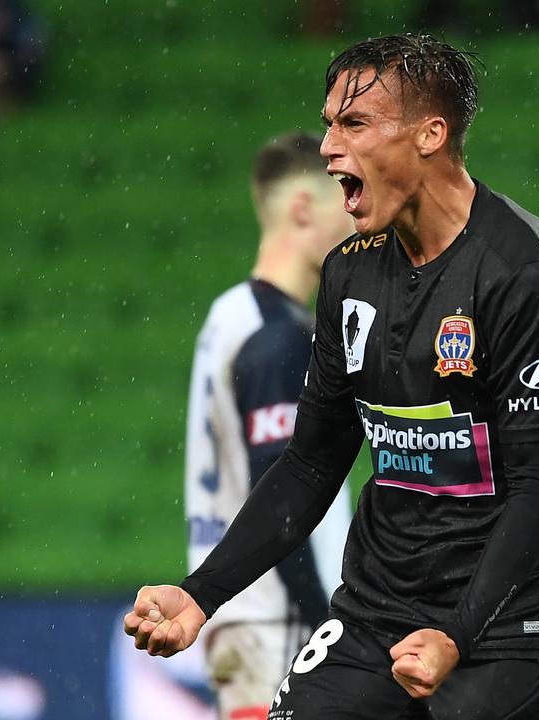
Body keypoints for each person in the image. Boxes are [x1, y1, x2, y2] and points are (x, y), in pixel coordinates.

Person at [124, 33, 539, 720]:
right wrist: (202, 593)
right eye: (330, 123)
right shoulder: (350, 270)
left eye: (352, 124)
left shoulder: (526, 278)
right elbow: (310, 463)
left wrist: (458, 631)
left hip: (519, 625)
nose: (329, 148)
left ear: (430, 134)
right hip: (378, 614)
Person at [183, 131, 355, 720]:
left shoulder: (230, 315)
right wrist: (324, 625)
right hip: (278, 618)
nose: (358, 219)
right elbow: (282, 491)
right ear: (304, 207)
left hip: (243, 613)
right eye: (346, 197)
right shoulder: (279, 335)